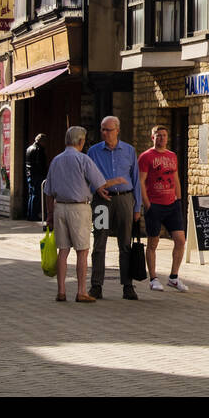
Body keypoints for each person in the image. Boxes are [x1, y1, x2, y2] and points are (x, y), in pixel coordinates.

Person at [42, 126, 127, 302]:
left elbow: (48, 191)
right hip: (78, 208)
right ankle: (81, 291)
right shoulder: (83, 159)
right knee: (82, 250)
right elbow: (100, 183)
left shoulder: (56, 160)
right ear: (80, 142)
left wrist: (50, 214)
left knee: (63, 251)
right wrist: (117, 181)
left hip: (60, 208)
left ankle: (61, 291)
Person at [86, 116, 142, 300]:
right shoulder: (93, 152)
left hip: (124, 199)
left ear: (117, 130)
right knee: (99, 242)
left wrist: (137, 207)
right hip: (102, 201)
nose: (104, 133)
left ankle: (128, 285)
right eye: (102, 129)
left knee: (125, 243)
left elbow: (135, 179)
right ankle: (96, 285)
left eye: (108, 130)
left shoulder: (128, 150)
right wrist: (96, 189)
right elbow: (87, 177)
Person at [138, 126, 189, 293]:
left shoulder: (172, 156)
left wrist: (179, 199)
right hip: (154, 205)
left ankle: (174, 277)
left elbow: (175, 178)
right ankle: (153, 278)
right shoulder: (146, 157)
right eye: (158, 135)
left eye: (164, 135)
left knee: (180, 240)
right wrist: (147, 205)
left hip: (172, 204)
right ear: (152, 137)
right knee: (153, 242)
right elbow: (141, 182)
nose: (161, 138)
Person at [24, 134, 47, 221]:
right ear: (41, 141)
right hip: (36, 175)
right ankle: (33, 215)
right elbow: (39, 164)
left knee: (32, 194)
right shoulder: (38, 150)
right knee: (36, 195)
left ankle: (30, 214)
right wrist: (44, 173)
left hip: (30, 174)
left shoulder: (29, 148)